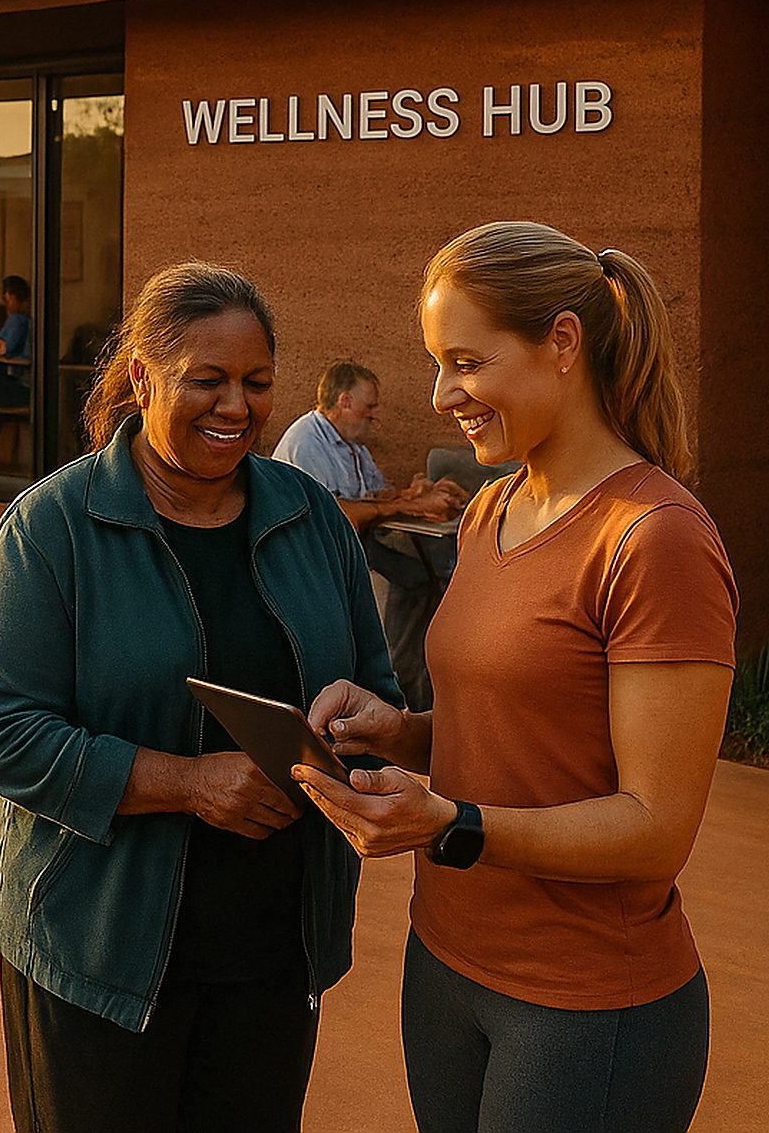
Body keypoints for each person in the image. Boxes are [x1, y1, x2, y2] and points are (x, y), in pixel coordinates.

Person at [295, 223, 736, 1133]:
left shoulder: (657, 539)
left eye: (466, 360)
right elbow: (509, 721)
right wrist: (401, 727)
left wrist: (450, 824)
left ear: (563, 342)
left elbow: (655, 828)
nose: (442, 392)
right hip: (448, 963)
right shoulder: (492, 507)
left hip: (582, 1005)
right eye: (435, 362)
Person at [0, 262, 401, 1133]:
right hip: (98, 954)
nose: (235, 406)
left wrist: (360, 733)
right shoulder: (52, 528)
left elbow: (379, 693)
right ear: (140, 377)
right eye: (208, 380)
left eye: (257, 382)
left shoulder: (311, 518)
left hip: (275, 953)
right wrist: (187, 780)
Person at [273, 360, 465, 710]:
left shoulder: (352, 445)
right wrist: (408, 505)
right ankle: (393, 685)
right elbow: (336, 514)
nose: (374, 415)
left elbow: (375, 494)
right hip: (314, 555)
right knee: (409, 582)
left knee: (422, 577)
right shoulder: (307, 441)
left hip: (353, 546)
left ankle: (409, 687)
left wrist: (417, 493)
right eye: (369, 406)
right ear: (345, 402)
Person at [0, 275, 34, 463]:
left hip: (15, 385)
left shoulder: (17, 320)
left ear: (12, 297)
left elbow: (3, 346)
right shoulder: (25, 320)